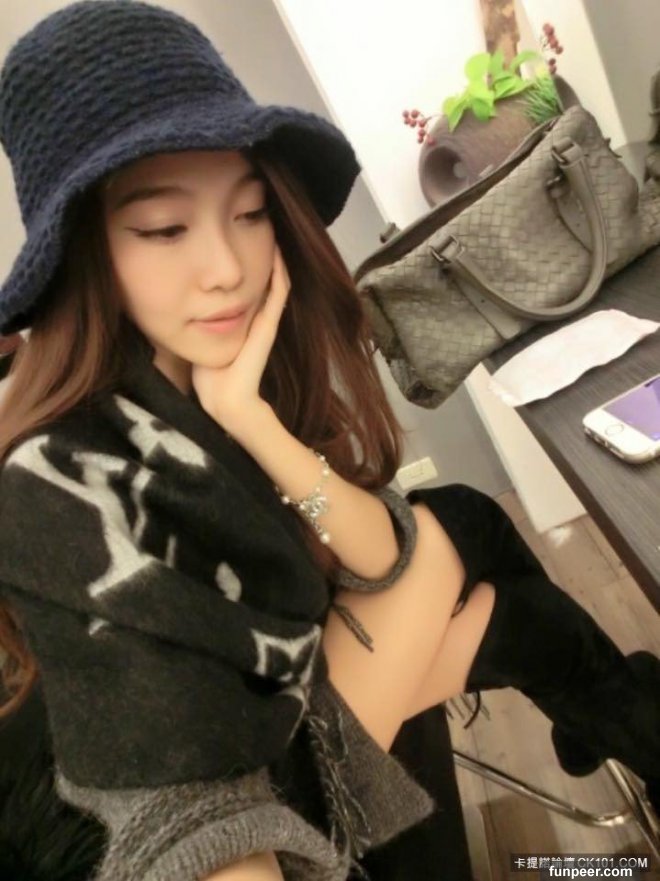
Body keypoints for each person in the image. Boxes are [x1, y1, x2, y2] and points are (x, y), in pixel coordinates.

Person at [0, 3, 657, 880]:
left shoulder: (216, 368)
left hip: (291, 705)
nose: (228, 268)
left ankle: (609, 709)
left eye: (249, 212)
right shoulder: (56, 477)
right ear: (84, 249)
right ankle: (617, 710)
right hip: (214, 806)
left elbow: (378, 555)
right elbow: (184, 813)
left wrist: (251, 420)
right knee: (482, 549)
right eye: (163, 228)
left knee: (488, 559)